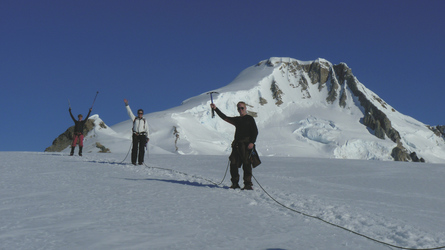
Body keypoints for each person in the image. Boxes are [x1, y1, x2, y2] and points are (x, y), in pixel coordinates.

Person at [211, 101, 258, 190]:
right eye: (238, 108)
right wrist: (215, 109)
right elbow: (225, 118)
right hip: (237, 145)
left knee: (246, 164)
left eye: (242, 108)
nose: (240, 110)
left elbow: (255, 131)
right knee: (233, 163)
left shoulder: (250, 119)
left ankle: (248, 184)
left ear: (245, 108)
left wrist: (252, 142)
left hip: (246, 145)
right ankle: (235, 183)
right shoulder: (237, 120)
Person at [124, 99, 149, 165]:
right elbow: (129, 113)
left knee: (142, 149)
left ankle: (140, 161)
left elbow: (147, 129)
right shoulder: (134, 118)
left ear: (142, 114)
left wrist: (148, 137)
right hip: (135, 134)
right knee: (134, 148)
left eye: (141, 113)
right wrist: (127, 105)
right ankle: (134, 161)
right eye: (139, 113)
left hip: (143, 135)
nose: (140, 114)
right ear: (137, 113)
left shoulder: (144, 120)